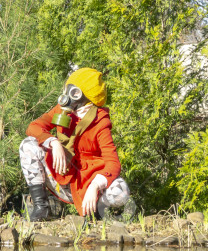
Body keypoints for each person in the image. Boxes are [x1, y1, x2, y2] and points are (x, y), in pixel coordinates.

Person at [20, 68, 131, 221]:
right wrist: (54, 142)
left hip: (88, 184)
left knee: (121, 191)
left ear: (78, 94)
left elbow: (113, 164)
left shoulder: (100, 123)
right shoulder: (61, 110)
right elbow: (33, 127)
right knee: (28, 144)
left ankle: (96, 210)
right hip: (61, 177)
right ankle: (41, 207)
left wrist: (95, 186)